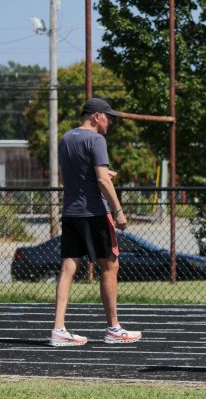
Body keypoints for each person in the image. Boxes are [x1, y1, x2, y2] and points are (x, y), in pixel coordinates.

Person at [50, 98, 142, 347]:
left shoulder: (66, 138)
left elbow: (66, 177)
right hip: (95, 213)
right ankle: (114, 328)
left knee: (68, 269)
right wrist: (118, 210)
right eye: (107, 116)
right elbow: (102, 181)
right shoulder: (97, 140)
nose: (110, 121)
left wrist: (97, 175)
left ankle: (58, 329)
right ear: (95, 117)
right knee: (111, 267)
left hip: (71, 212)